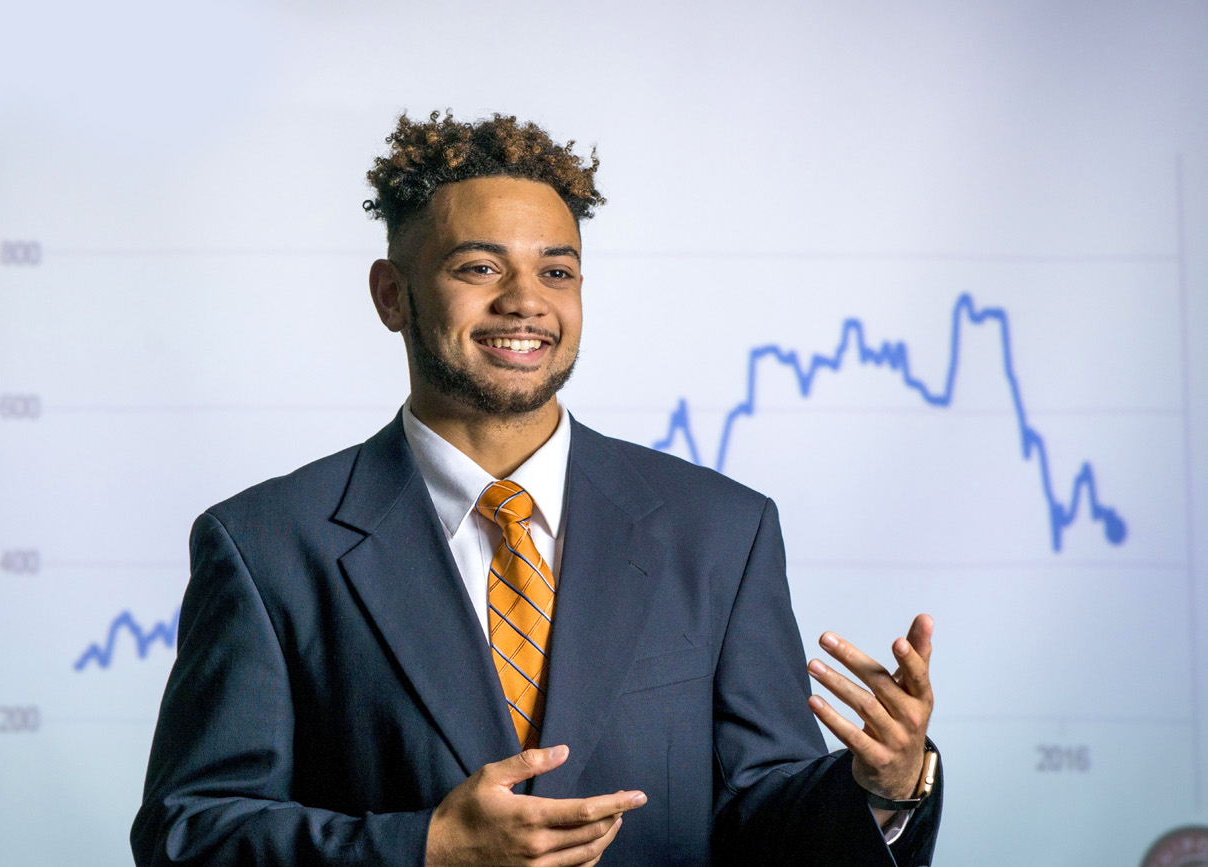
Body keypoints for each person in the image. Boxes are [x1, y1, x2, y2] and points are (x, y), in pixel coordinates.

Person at [131, 111, 943, 867]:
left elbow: (766, 815)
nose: (525, 302)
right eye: (479, 266)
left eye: (557, 270)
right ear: (391, 294)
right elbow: (189, 828)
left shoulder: (723, 532)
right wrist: (424, 848)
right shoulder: (268, 545)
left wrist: (885, 788)